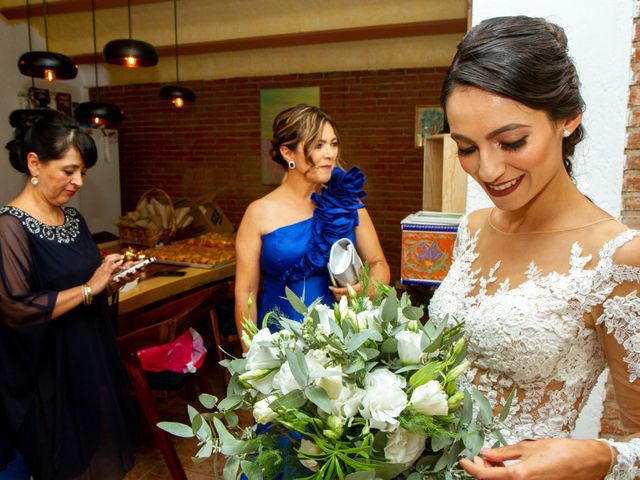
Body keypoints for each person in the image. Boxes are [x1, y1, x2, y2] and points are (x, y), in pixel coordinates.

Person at [428, 15, 640, 479]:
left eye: (511, 141)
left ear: (567, 118)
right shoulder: (474, 227)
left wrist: (595, 456)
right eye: (466, 148)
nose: (487, 170)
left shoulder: (618, 258)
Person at [0, 112, 137, 480]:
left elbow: (87, 286)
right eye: (69, 171)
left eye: (83, 173)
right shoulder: (9, 226)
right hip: (47, 372)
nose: (78, 181)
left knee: (95, 455)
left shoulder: (73, 219)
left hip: (88, 358)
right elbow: (16, 309)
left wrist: (109, 280)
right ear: (34, 163)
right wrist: (90, 287)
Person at [235, 104, 390, 334]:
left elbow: (379, 263)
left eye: (333, 143)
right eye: (318, 145)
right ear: (288, 153)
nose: (330, 153)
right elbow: (245, 292)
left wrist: (365, 288)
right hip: (281, 344)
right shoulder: (258, 213)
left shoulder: (348, 203)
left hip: (343, 341)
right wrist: (250, 355)